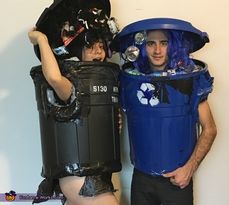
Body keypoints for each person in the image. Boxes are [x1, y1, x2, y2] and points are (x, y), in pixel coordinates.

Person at [113, 18, 217, 205]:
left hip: (177, 180)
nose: (157, 50)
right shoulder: (129, 81)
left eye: (164, 43)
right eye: (150, 43)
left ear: (174, 45)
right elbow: (117, 115)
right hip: (142, 179)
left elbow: (210, 129)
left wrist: (189, 168)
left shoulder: (189, 80)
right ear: (142, 47)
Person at [28, 2, 121, 205]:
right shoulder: (73, 86)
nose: (98, 53)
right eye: (90, 47)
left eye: (100, 47)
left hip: (96, 175)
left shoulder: (102, 81)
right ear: (77, 50)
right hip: (80, 179)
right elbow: (53, 77)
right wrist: (41, 39)